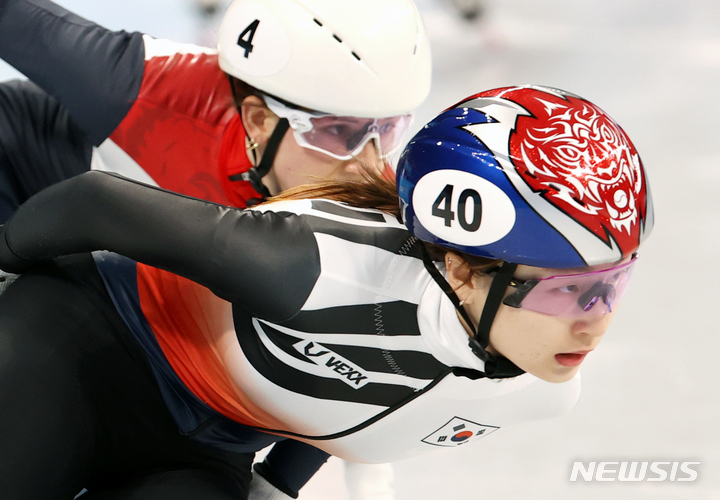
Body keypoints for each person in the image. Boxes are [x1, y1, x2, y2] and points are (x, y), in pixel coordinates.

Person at [0, 85, 653, 499]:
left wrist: (276, 485)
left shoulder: (541, 394)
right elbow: (96, 203)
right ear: (459, 269)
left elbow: (364, 396)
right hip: (82, 346)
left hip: (205, 447)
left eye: (610, 285)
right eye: (567, 291)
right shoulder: (319, 267)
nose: (595, 323)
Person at [0, 0, 431, 497]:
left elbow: (359, 358)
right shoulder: (143, 85)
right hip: (32, 176)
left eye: (388, 129)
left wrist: (279, 482)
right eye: (340, 132)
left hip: (173, 392)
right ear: (260, 120)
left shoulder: (380, 208)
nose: (367, 165)